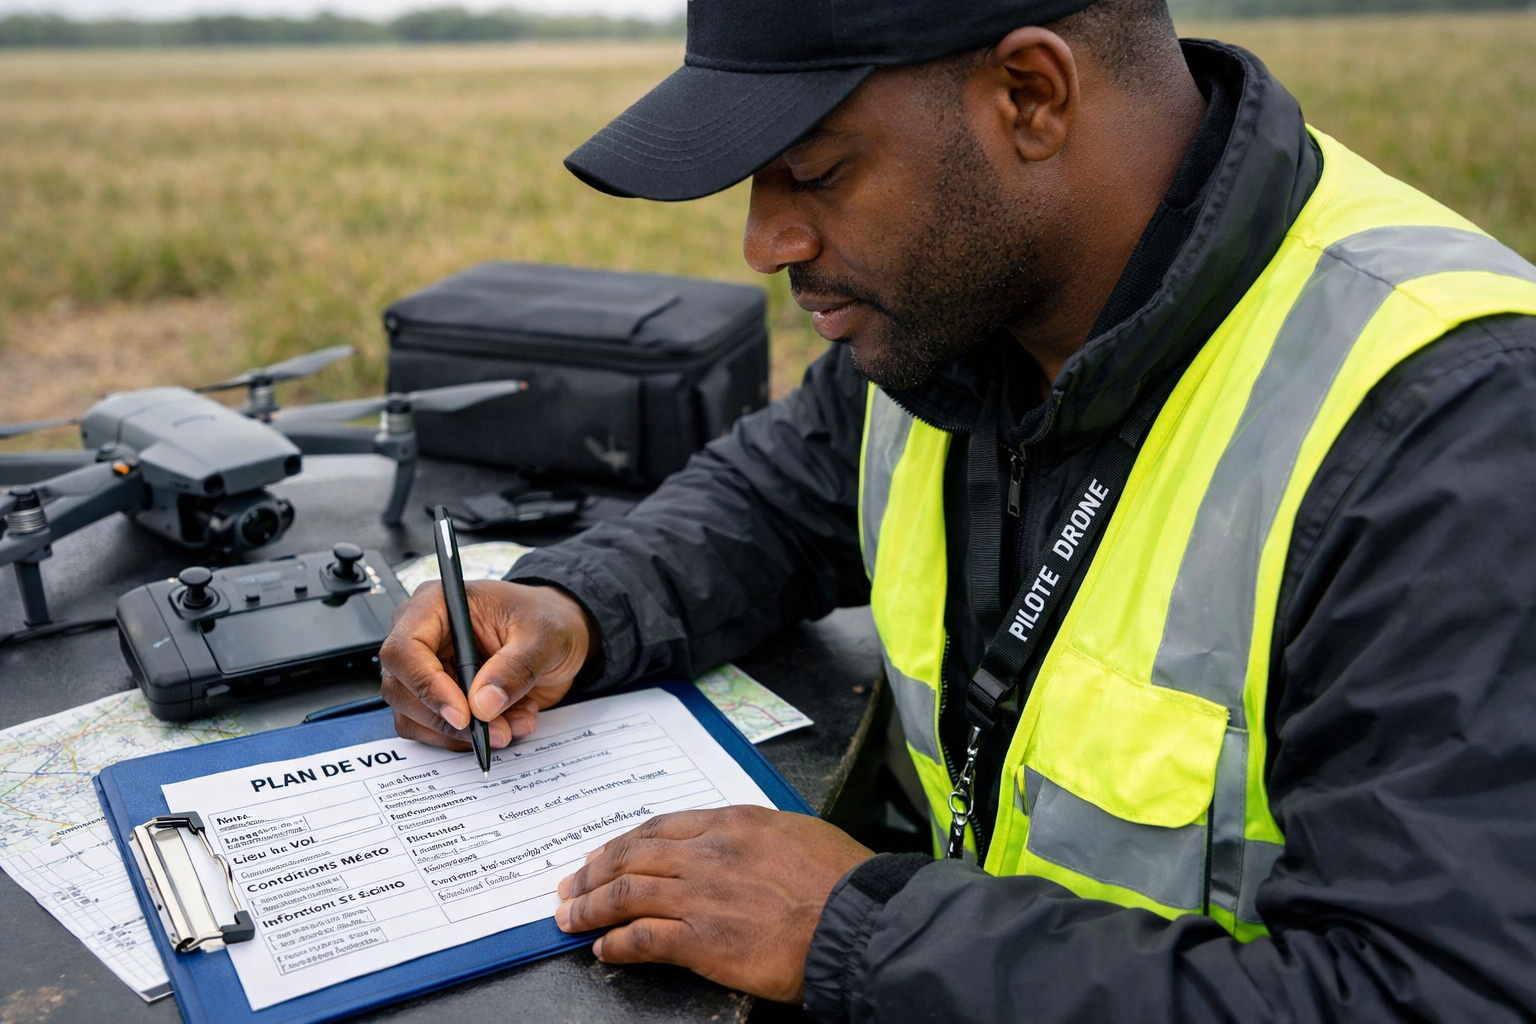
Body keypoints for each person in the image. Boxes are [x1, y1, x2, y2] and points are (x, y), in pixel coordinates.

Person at [378, 0, 1536, 1019]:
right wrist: (577, 602)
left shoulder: (1449, 428)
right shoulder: (959, 317)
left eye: (817, 172)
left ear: (1031, 95)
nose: (765, 240)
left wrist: (863, 935)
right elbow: (774, 500)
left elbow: (1424, 990)